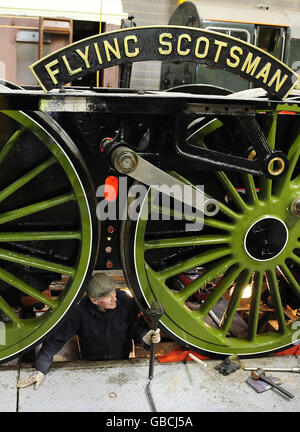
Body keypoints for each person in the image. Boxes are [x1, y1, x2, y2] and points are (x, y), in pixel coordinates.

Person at [17, 273, 160, 390]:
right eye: (108, 296)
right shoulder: (79, 312)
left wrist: (146, 337)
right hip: (91, 365)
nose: (114, 298)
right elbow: (56, 340)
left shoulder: (125, 301)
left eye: (113, 291)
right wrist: (40, 369)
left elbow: (135, 328)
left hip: (121, 361)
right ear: (94, 300)